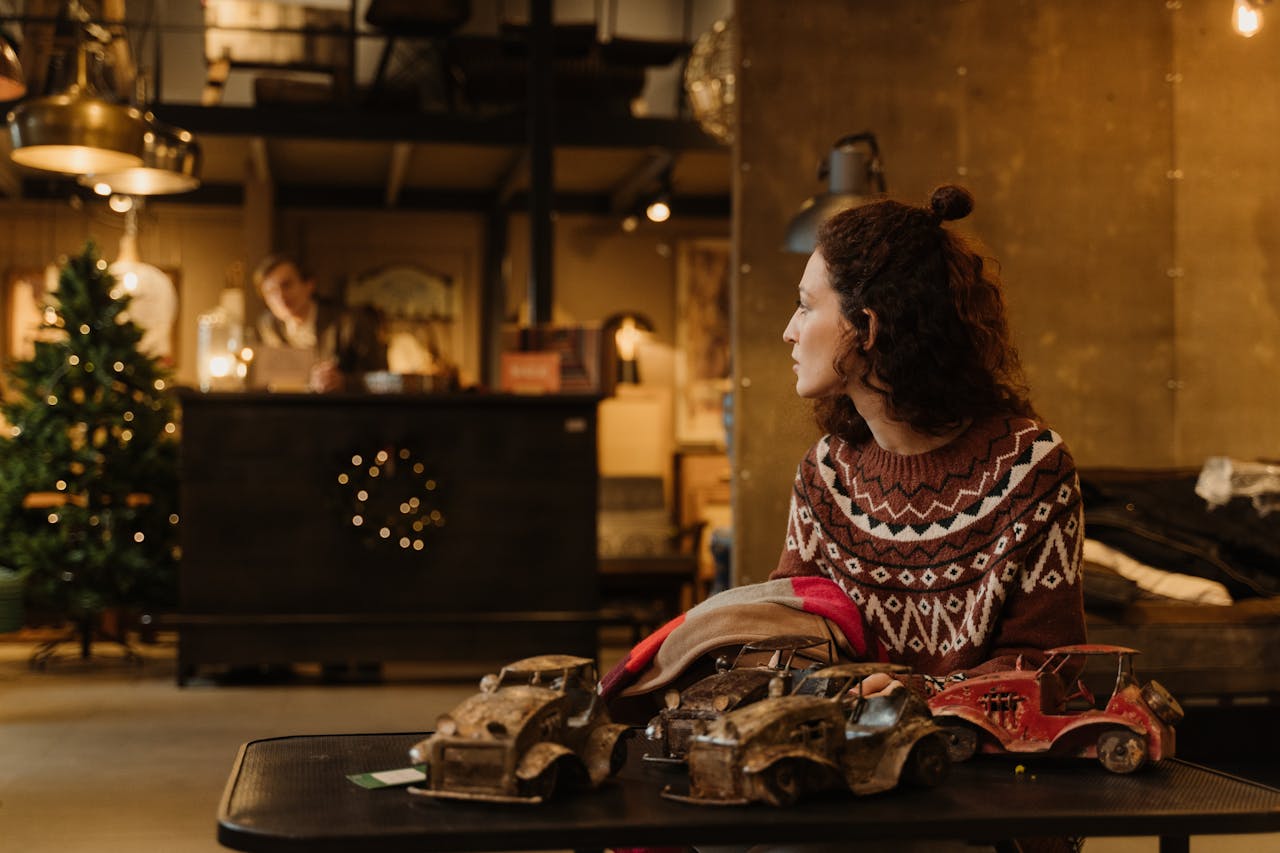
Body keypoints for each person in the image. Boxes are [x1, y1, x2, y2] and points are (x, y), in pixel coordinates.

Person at [774, 184, 1086, 701]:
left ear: (866, 327)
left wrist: (918, 692)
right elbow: (798, 631)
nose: (789, 331)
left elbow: (1049, 666)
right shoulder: (824, 474)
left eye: (806, 306)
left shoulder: (1033, 469)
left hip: (994, 771)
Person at [251, 253, 387, 392]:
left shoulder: (350, 322)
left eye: (287, 285)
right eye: (271, 291)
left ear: (309, 285)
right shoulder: (267, 327)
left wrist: (344, 382)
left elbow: (383, 381)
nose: (281, 297)